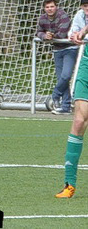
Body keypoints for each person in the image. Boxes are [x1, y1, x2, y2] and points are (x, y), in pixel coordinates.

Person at [56, 13, 88, 198]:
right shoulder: (80, 15)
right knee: (78, 122)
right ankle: (69, 184)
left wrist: (83, 31)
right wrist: (78, 33)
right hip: (86, 64)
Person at [37, 0, 76, 115]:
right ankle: (65, 106)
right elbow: (38, 32)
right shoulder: (42, 18)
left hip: (70, 48)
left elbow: (62, 33)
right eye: (47, 7)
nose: (50, 9)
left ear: (56, 7)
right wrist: (44, 36)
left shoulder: (63, 15)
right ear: (44, 8)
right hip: (57, 50)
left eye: (52, 6)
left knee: (66, 75)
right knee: (61, 78)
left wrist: (52, 36)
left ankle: (55, 95)